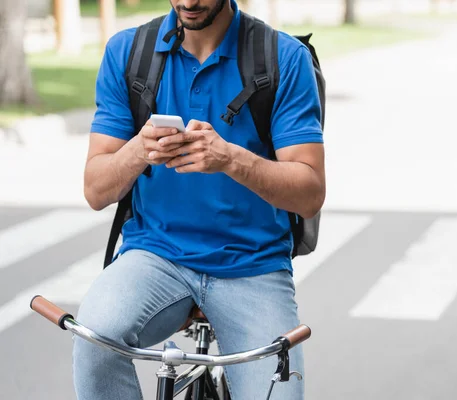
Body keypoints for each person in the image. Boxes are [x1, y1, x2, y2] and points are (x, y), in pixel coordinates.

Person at [75, 0, 325, 399]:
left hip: (253, 265)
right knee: (95, 338)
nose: (189, 2)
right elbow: (95, 190)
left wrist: (229, 158)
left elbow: (310, 193)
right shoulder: (128, 53)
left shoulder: (283, 57)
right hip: (155, 257)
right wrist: (139, 149)